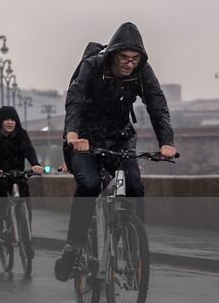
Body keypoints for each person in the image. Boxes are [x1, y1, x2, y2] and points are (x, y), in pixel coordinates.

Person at [54, 23, 176, 281]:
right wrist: (73, 134)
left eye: (135, 59)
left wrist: (166, 142)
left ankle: (133, 249)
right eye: (124, 58)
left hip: (119, 138)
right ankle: (73, 247)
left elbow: (157, 104)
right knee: (89, 185)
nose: (130, 64)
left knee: (134, 185)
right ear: (113, 54)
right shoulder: (92, 66)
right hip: (84, 138)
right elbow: (75, 99)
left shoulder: (142, 71)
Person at [0, 105, 43, 237]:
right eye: (6, 119)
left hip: (17, 173)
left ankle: (26, 232)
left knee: (25, 194)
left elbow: (29, 150)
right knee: (0, 188)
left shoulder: (22, 134)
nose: (10, 122)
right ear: (0, 121)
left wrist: (36, 164)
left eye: (13, 119)